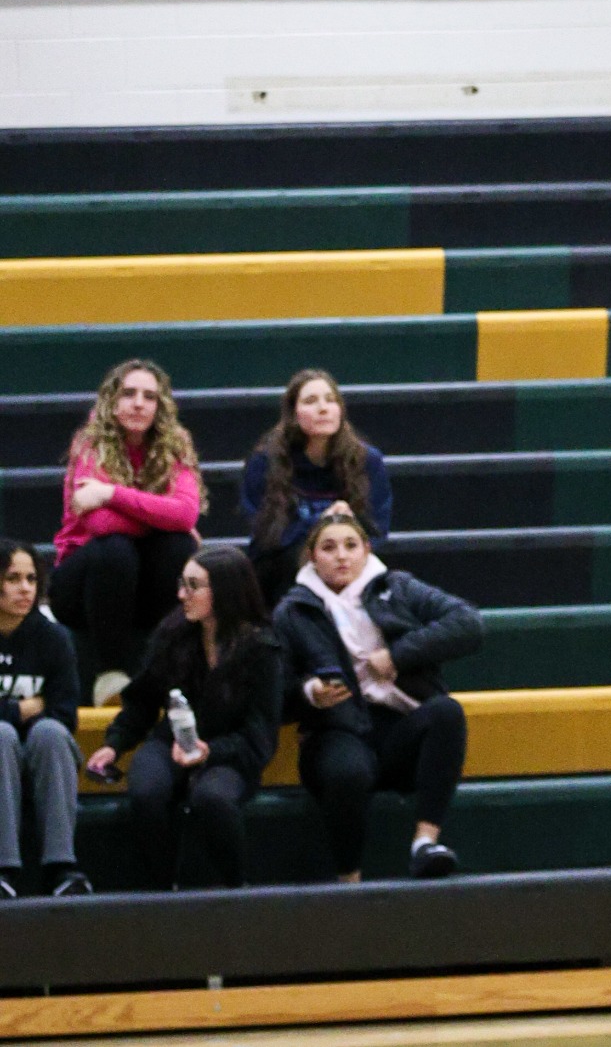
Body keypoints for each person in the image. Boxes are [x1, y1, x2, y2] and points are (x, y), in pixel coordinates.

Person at [273, 512, 479, 882]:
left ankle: (425, 843)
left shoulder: (396, 586)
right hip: (337, 729)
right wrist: (310, 693)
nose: (342, 556)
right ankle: (348, 879)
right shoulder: (293, 610)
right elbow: (275, 689)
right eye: (329, 547)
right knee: (348, 771)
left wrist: (398, 656)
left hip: (399, 728)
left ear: (367, 551)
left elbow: (468, 623)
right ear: (312, 557)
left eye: (351, 546)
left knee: (447, 712)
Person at [86, 546, 282, 891]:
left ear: (224, 591)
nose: (181, 594)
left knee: (213, 799)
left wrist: (210, 752)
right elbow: (142, 701)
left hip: (231, 750)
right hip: (172, 739)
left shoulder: (261, 649)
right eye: (182, 583)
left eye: (193, 586)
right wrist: (114, 746)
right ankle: (163, 891)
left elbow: (260, 736)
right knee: (146, 791)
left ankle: (237, 890)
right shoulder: (173, 633)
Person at [49, 359, 205, 708]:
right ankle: (110, 675)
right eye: (129, 394)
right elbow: (100, 525)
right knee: (115, 549)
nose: (138, 403)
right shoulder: (90, 443)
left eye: (149, 396)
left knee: (177, 546)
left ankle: (166, 668)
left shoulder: (175, 444)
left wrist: (110, 494)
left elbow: (186, 513)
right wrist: (163, 516)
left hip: (141, 587)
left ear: (159, 406)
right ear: (112, 401)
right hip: (83, 585)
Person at [241, 369, 393, 607]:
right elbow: (267, 534)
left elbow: (377, 529)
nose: (323, 408)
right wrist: (323, 525)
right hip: (282, 566)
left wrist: (346, 526)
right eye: (310, 401)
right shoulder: (265, 461)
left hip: (346, 561)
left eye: (330, 400)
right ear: (293, 414)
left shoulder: (366, 460)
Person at [0, 540, 90, 897]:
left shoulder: (53, 639)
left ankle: (61, 869)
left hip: (41, 748)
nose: (25, 588)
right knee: (2, 735)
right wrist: (20, 709)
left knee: (51, 733)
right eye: (12, 578)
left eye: (31, 579)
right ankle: (4, 871)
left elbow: (65, 714)